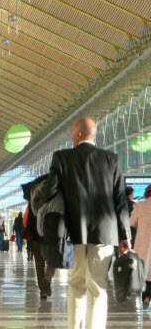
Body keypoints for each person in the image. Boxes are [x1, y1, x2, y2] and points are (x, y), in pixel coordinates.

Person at [43, 117, 131, 329]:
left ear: (78, 135)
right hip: (105, 234)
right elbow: (120, 200)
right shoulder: (112, 159)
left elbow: (49, 191)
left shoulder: (61, 158)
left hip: (74, 233)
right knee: (98, 287)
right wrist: (124, 236)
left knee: (77, 285)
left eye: (72, 134)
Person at [130, 184, 151, 307]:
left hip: (144, 243)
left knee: (146, 270)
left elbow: (131, 221)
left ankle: (146, 296)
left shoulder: (140, 205)